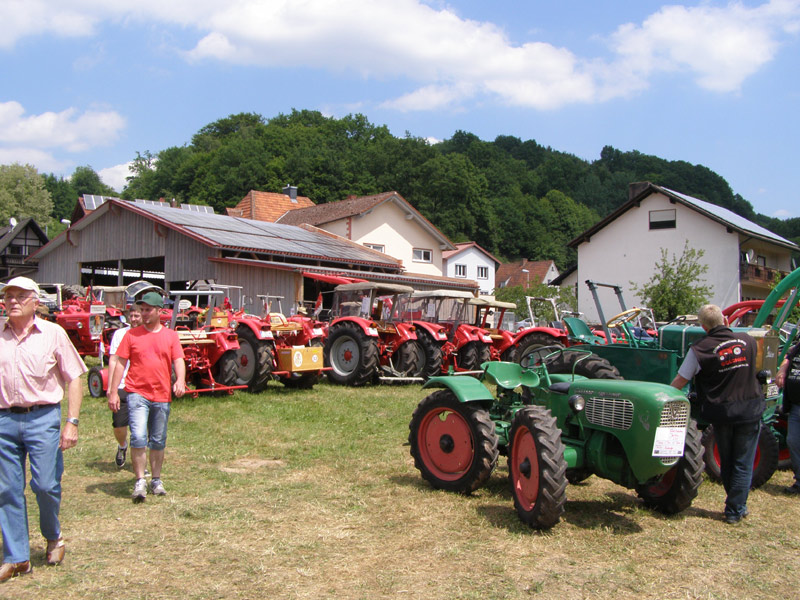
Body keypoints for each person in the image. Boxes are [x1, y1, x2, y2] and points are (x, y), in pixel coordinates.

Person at [0, 277, 87, 582]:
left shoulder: (53, 333)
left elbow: (75, 377)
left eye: (19, 296)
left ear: (35, 301)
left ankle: (53, 536)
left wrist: (71, 422)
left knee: (46, 485)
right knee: (7, 489)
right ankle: (17, 558)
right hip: (3, 421)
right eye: (8, 295)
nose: (11, 301)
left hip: (42, 418)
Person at [670, 304, 764, 524]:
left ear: (703, 327)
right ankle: (736, 508)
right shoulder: (749, 341)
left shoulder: (699, 349)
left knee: (729, 462)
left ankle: (736, 505)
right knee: (742, 462)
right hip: (749, 409)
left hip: (722, 413)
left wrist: (663, 395)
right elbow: (756, 370)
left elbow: (680, 381)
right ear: (725, 320)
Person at [108, 292, 186, 503]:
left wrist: (180, 380)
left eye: (148, 310)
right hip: (137, 393)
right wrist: (114, 391)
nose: (143, 313)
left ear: (159, 311)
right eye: (141, 310)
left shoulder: (170, 336)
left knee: (158, 439)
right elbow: (120, 363)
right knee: (139, 436)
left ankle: (156, 479)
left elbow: (178, 360)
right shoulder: (131, 335)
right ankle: (140, 480)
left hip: (161, 394)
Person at [107, 305, 143, 468]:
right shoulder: (120, 334)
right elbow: (114, 360)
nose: (134, 319)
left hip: (142, 387)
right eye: (132, 316)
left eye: (137, 316)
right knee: (119, 426)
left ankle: (143, 465)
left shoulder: (148, 335)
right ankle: (122, 445)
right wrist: (111, 388)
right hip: (122, 385)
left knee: (140, 429)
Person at [776, 338, 800, 495]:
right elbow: (789, 357)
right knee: (793, 441)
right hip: (795, 406)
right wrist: (783, 369)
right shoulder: (799, 346)